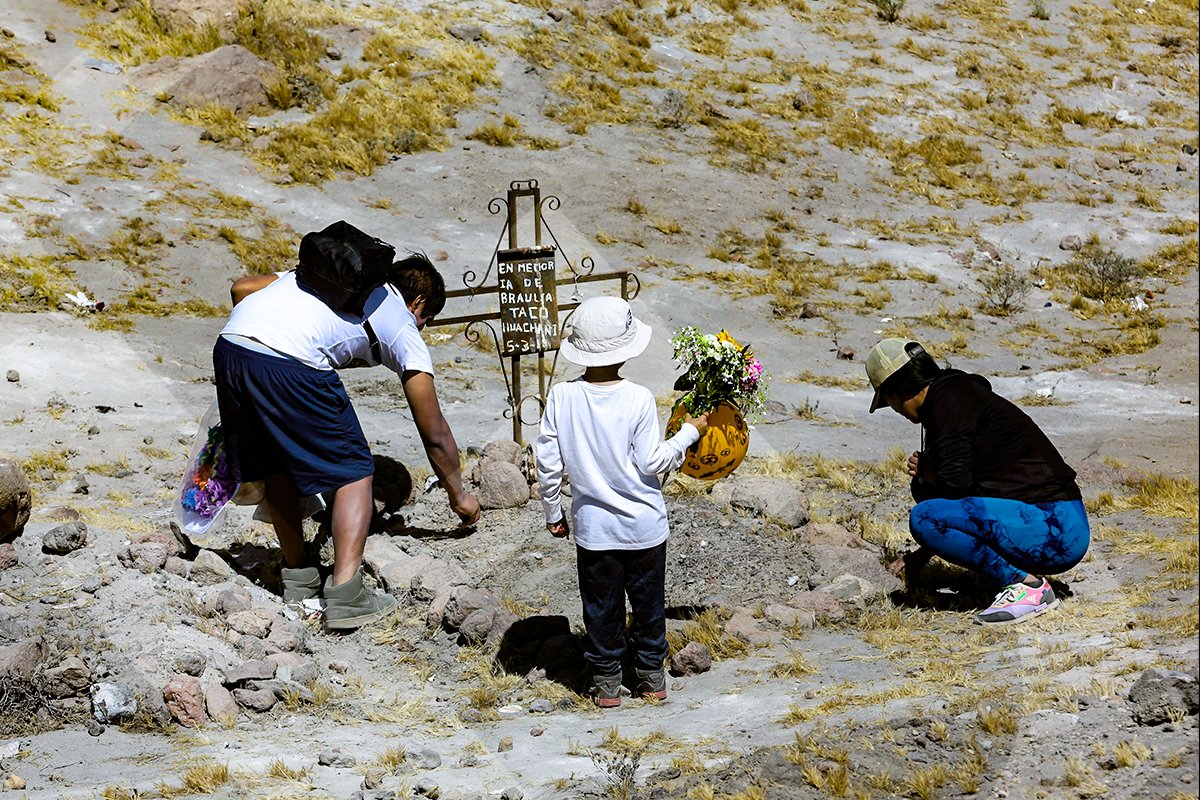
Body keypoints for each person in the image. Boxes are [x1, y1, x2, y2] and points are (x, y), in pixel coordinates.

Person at [213, 254, 480, 631]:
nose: (421, 329)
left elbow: (241, 288)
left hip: (231, 347)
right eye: (427, 320)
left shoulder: (329, 280)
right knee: (354, 469)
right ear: (418, 303)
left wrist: (264, 334)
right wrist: (460, 496)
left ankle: (299, 579)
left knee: (277, 463)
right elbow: (434, 431)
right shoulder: (401, 322)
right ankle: (347, 597)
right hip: (290, 363)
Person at [535, 297, 709, 707]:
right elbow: (652, 461)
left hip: (595, 531)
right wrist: (689, 433)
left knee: (601, 608)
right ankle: (651, 677)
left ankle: (606, 681)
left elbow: (547, 462)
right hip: (644, 528)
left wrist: (553, 512)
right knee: (648, 606)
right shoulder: (638, 398)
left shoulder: (561, 397)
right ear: (626, 349)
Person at [865, 338, 1090, 625]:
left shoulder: (950, 402)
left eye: (888, 402)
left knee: (924, 516)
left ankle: (1027, 587)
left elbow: (956, 487)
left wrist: (932, 473)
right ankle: (999, 574)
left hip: (1056, 530)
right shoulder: (954, 394)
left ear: (897, 391)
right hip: (1054, 521)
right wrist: (919, 557)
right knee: (924, 489)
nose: (894, 410)